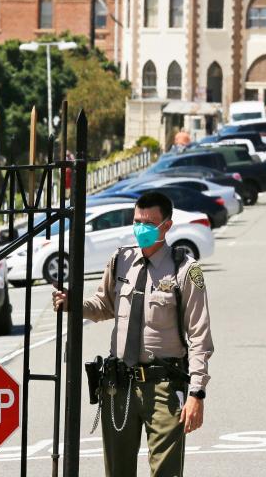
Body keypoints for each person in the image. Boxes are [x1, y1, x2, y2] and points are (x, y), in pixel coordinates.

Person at [52, 192, 213, 477]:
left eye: (149, 223)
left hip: (163, 385)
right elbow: (103, 306)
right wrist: (72, 304)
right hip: (119, 385)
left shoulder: (185, 270)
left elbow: (200, 336)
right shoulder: (120, 261)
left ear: (166, 225)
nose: (141, 228)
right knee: (117, 471)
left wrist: (197, 393)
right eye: (137, 221)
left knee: (166, 471)